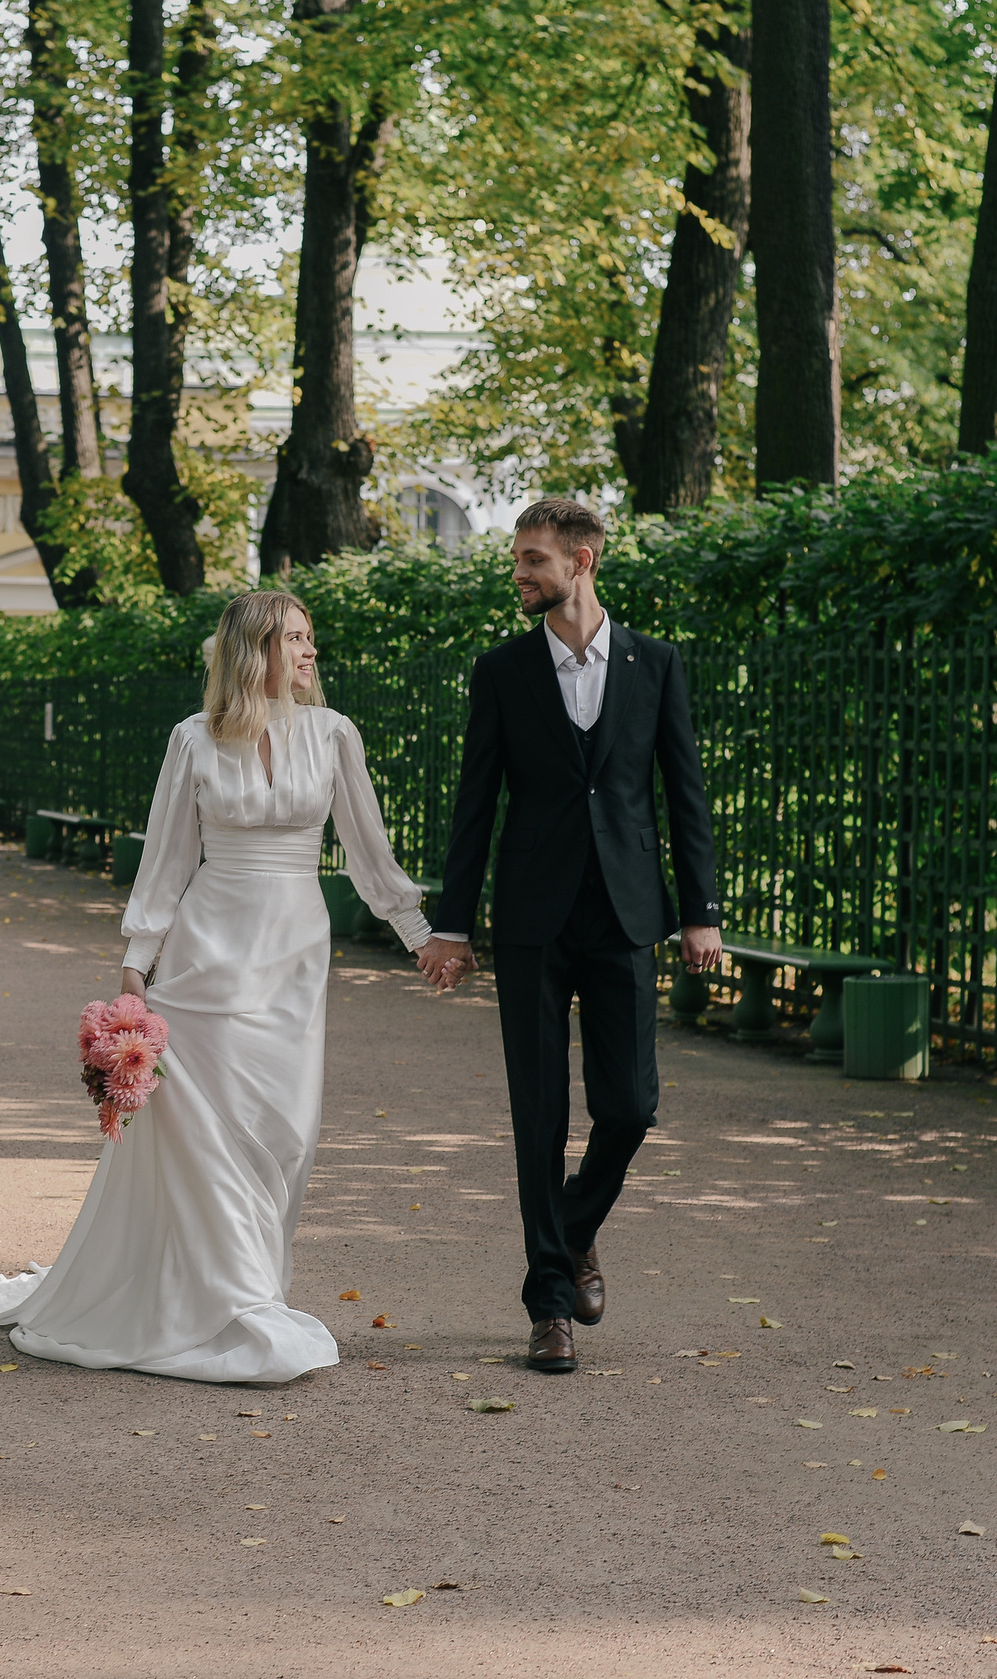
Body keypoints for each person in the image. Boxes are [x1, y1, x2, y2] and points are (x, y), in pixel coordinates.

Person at [0, 591, 431, 1384]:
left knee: (284, 1129)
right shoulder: (194, 739)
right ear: (255, 651)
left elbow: (367, 850)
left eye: (313, 639)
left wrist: (417, 936)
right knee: (208, 1127)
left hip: (294, 956)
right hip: (206, 956)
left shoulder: (335, 732)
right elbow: (168, 858)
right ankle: (235, 1300)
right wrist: (137, 967)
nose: (311, 652)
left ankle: (250, 1285)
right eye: (295, 639)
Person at [414, 498, 722, 1375]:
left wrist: (701, 909)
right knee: (540, 1113)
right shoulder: (503, 669)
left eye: (533, 559)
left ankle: (574, 1227)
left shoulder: (656, 664)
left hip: (626, 913)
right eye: (517, 557)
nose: (519, 572)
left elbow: (684, 794)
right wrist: (453, 923)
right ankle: (548, 1303)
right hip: (532, 922)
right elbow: (476, 803)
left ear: (581, 562)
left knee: (631, 1105)